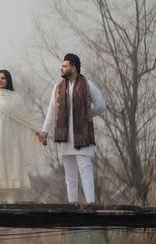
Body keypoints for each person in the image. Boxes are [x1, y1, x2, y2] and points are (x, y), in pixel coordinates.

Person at [38, 54, 106, 204]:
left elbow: (101, 106)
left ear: (73, 68)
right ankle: (72, 204)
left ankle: (90, 204)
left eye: (64, 66)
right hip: (65, 136)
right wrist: (45, 131)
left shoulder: (88, 84)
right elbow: (52, 110)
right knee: (69, 174)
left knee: (85, 169)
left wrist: (86, 115)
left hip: (82, 135)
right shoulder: (58, 87)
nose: (61, 68)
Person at [0, 69, 40, 204]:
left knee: (12, 166)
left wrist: (38, 132)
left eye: (3, 78)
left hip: (12, 140)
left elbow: (25, 119)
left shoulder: (16, 98)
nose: (0, 80)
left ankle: (11, 200)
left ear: (8, 80)